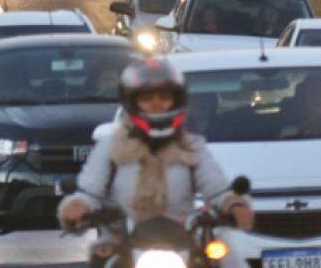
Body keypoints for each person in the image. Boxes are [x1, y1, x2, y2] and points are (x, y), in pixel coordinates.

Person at [58, 57, 254, 240]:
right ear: (133, 102)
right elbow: (90, 192)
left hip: (184, 239)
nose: (157, 104)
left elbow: (216, 189)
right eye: (147, 98)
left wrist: (233, 204)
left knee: (226, 257)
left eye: (164, 96)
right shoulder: (111, 146)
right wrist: (77, 207)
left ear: (176, 100)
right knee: (101, 256)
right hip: (122, 241)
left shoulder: (191, 146)